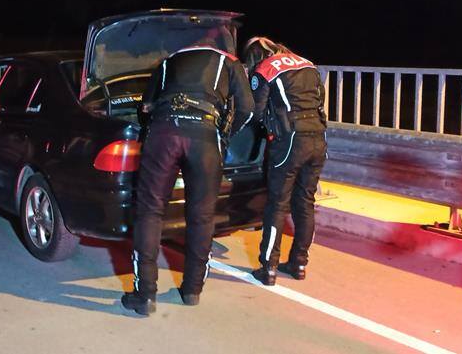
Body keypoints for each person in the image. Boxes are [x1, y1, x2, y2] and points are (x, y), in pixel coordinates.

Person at [120, 31, 255, 316]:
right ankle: (192, 290)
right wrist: (224, 135)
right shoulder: (228, 61)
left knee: (149, 211)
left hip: (164, 131)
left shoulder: (168, 61)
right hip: (204, 135)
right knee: (201, 215)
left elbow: (145, 107)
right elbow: (247, 109)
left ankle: (144, 295)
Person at [245, 37, 327, 285]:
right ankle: (299, 263)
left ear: (255, 55)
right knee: (306, 202)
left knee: (277, 204)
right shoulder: (308, 64)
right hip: (318, 138)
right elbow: (320, 100)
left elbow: (256, 111)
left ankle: (268, 267)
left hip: (290, 141)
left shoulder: (265, 68)